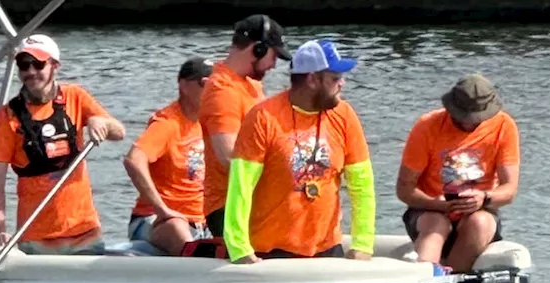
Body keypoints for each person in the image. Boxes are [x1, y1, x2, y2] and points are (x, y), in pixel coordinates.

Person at [223, 39, 375, 263]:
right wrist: (239, 249)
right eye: (335, 78)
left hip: (327, 249)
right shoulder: (263, 117)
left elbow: (362, 185)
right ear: (313, 79)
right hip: (270, 252)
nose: (342, 83)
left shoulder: (345, 115)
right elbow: (241, 186)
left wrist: (363, 244)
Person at [0, 34, 125, 255]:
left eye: (38, 64)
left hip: (84, 233)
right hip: (36, 237)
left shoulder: (75, 97)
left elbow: (119, 133)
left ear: (55, 65)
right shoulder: (8, 115)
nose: (30, 72)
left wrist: (100, 122)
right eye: (23, 65)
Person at [396, 73, 520, 273]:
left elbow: (509, 190)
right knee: (437, 224)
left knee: (479, 223)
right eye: (462, 118)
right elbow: (404, 189)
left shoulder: (504, 126)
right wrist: (438, 204)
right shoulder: (427, 125)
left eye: (476, 119)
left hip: (479, 210)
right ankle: (423, 279)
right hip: (429, 209)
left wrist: (484, 198)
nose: (468, 124)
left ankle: (452, 282)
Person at [199, 14, 289, 236]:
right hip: (228, 206)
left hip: (256, 199)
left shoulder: (251, 85)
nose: (274, 64)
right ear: (258, 49)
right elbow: (229, 157)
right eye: (274, 55)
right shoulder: (222, 90)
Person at [121, 57, 212, 255]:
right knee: (178, 228)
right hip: (156, 220)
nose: (212, 91)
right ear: (184, 85)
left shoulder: (212, 122)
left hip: (202, 221)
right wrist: (162, 209)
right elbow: (133, 160)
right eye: (205, 84)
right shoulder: (167, 123)